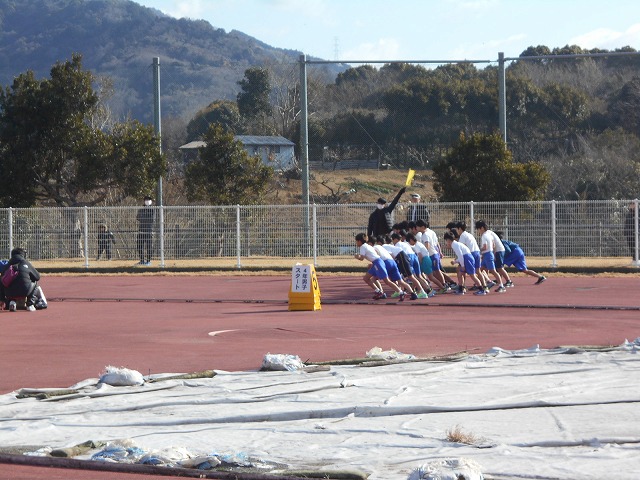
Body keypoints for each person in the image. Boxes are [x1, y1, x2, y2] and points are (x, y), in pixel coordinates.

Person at [354, 233, 405, 300]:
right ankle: (378, 291)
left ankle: (401, 292)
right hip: (376, 263)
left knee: (387, 281)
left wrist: (357, 257)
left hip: (378, 263)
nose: (356, 243)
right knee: (366, 278)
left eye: (356, 241)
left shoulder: (363, 247)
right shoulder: (368, 246)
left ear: (359, 241)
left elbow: (362, 258)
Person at [475, 220, 506, 293]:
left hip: (488, 255)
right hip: (488, 254)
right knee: (480, 270)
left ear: (482, 228)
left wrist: (478, 249)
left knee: (493, 271)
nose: (478, 231)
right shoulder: (489, 235)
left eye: (478, 229)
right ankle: (486, 283)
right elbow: (493, 245)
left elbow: (485, 247)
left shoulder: (484, 236)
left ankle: (501, 285)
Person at [136, 196, 156, 266]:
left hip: (149, 231)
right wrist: (145, 218)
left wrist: (143, 218)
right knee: (139, 246)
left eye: (149, 200)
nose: (147, 201)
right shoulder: (141, 209)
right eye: (146, 200)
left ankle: (148, 261)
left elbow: (152, 219)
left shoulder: (153, 210)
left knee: (149, 247)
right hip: (141, 230)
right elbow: (138, 217)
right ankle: (141, 260)